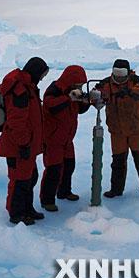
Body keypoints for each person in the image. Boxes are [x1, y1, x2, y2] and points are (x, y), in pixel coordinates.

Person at [0, 57, 49, 225]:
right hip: (18, 146)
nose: (42, 78)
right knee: (20, 180)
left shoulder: (28, 87)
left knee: (30, 177)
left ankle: (27, 209)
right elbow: (16, 123)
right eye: (41, 74)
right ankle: (16, 213)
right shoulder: (20, 91)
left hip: (25, 146)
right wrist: (24, 143)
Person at [95, 59, 139, 199]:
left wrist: (129, 91)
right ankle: (116, 189)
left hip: (135, 129)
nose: (119, 76)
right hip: (117, 130)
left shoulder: (136, 80)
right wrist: (94, 97)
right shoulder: (106, 83)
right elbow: (96, 96)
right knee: (118, 161)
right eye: (116, 73)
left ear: (128, 72)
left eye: (122, 73)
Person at [39, 65, 89, 211]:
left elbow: (79, 110)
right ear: (70, 80)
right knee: (53, 170)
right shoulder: (54, 89)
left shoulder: (73, 91)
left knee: (69, 166)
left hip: (67, 139)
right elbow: (51, 106)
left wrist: (86, 102)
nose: (80, 86)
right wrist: (69, 98)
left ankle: (64, 192)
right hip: (53, 139)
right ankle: (47, 200)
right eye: (78, 83)